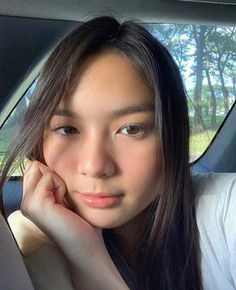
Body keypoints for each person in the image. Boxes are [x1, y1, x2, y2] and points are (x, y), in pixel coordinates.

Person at [0, 16, 236, 290]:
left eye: (132, 129)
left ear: (173, 134)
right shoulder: (28, 255)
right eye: (67, 129)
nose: (95, 165)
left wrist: (88, 259)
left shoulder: (225, 213)